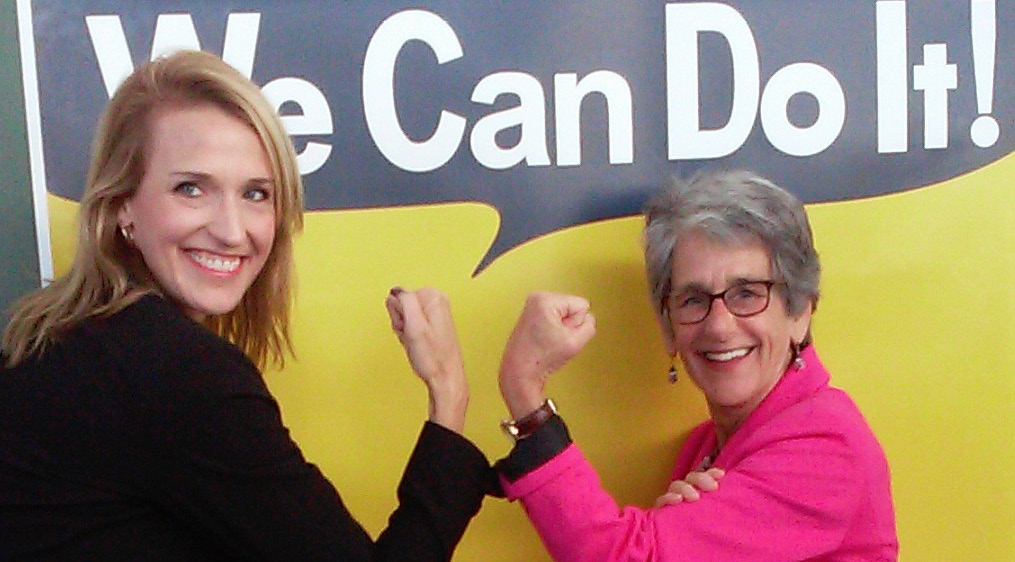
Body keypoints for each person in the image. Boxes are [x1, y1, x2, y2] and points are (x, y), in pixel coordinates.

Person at [0, 50, 491, 561]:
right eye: (191, 189)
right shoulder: (179, 372)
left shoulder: (61, 339)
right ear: (122, 204)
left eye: (256, 194)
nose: (232, 232)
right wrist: (448, 397)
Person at [493, 170, 899, 561]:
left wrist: (525, 394)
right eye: (693, 300)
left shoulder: (828, 447)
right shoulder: (704, 450)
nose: (720, 327)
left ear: (799, 313)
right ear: (668, 329)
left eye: (746, 293)